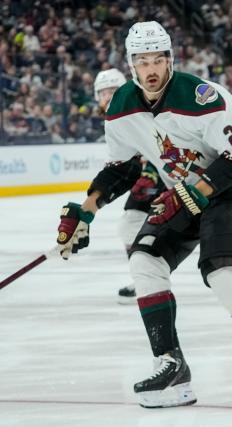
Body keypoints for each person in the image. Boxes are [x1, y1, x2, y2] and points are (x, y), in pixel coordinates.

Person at [54, 21, 232, 408]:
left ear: (171, 59)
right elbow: (122, 167)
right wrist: (86, 210)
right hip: (181, 196)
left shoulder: (204, 97)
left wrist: (193, 190)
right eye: (142, 61)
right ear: (131, 64)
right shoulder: (121, 106)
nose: (151, 69)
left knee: (223, 275)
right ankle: (171, 367)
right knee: (144, 259)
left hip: (226, 193)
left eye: (158, 59)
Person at [92, 68, 165, 304]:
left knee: (196, 222)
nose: (108, 97)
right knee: (130, 223)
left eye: (113, 91)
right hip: (151, 176)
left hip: (169, 173)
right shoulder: (114, 118)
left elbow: (161, 144)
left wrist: (151, 172)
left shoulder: (139, 110)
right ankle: (144, 278)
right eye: (103, 93)